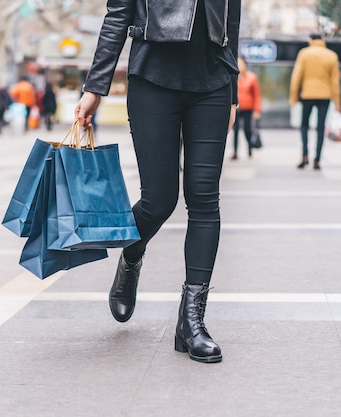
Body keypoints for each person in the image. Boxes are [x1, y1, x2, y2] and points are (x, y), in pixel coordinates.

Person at [75, 0, 241, 363]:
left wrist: (234, 88)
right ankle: (132, 254)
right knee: (159, 200)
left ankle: (192, 321)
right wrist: (95, 87)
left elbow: (232, 16)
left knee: (203, 199)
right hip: (153, 79)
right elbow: (118, 13)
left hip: (213, 83)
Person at [289, 32, 341, 170]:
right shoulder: (332, 55)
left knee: (304, 125)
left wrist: (293, 96)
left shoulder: (304, 53)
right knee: (320, 127)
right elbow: (335, 81)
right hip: (325, 96)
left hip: (307, 95)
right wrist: (337, 101)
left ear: (310, 40)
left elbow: (296, 77)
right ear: (323, 40)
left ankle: (305, 156)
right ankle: (317, 159)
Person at [231, 57, 261, 160]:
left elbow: (256, 95)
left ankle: (250, 148)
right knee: (235, 130)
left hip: (248, 107)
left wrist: (257, 110)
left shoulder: (252, 77)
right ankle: (235, 152)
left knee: (247, 130)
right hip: (237, 106)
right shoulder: (233, 76)